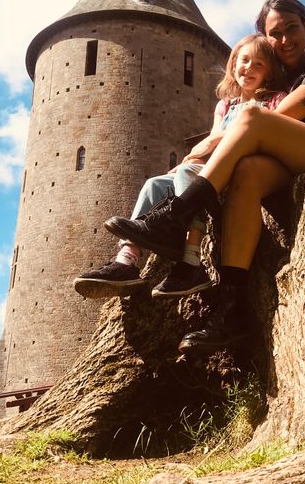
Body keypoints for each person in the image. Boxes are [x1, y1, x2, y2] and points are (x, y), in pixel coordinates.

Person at [105, 0, 305, 352]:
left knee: (250, 118)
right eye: (274, 33)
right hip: (291, 167)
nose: (285, 39)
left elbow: (282, 118)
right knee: (246, 172)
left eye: (291, 28)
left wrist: (218, 140)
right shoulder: (271, 86)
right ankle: (230, 306)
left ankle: (177, 212)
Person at [74, 33, 286, 299]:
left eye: (259, 64)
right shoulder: (226, 105)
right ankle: (126, 260)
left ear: (269, 71)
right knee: (155, 184)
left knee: (187, 172)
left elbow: (241, 140)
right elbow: (213, 143)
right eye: (245, 60)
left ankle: (190, 260)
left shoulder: (274, 101)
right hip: (211, 170)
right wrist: (195, 156)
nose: (249, 69)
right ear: (233, 64)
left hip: (239, 175)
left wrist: (200, 152)